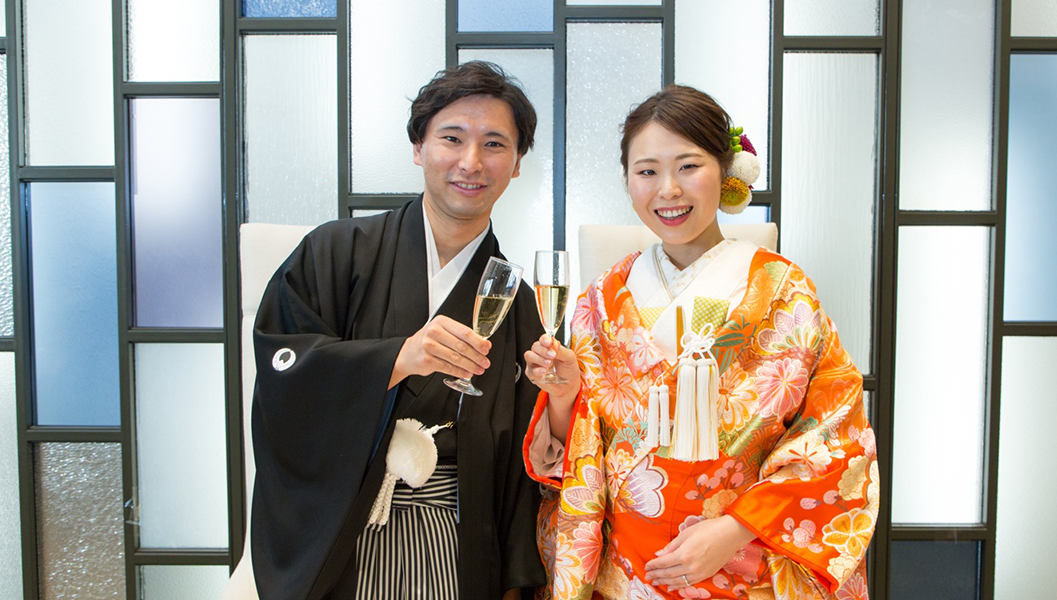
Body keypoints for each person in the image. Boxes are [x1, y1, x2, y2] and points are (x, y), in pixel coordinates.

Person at [522, 85, 878, 600]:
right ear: (627, 180)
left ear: (725, 170)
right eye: (647, 171)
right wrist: (563, 395)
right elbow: (582, 444)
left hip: (746, 561)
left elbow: (836, 437)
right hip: (628, 571)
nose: (668, 189)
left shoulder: (784, 291)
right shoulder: (601, 298)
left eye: (688, 166)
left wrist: (732, 530)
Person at [247, 61, 547, 600]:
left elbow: (524, 465)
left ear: (517, 162)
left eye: (494, 144)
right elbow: (283, 376)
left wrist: (564, 399)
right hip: (344, 535)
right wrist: (398, 358)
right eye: (451, 138)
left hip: (459, 544)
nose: (471, 162)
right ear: (418, 146)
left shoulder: (518, 302)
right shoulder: (334, 253)